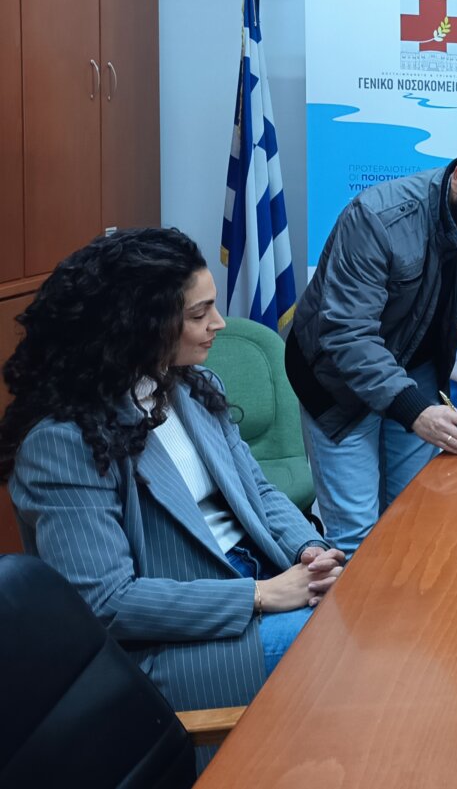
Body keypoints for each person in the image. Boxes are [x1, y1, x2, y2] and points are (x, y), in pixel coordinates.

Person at [0, 228, 344, 732]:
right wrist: (261, 595)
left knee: (372, 611)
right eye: (199, 314)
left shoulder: (194, 387)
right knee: (345, 646)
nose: (219, 324)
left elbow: (257, 490)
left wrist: (309, 550)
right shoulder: (64, 441)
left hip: (260, 577)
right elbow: (106, 602)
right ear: (139, 325)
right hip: (173, 646)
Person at [286, 131, 457, 553]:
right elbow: (348, 333)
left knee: (414, 514)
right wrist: (415, 411)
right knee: (357, 535)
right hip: (337, 381)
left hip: (417, 369)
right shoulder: (376, 218)